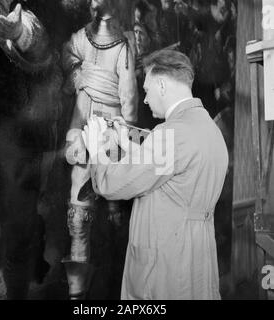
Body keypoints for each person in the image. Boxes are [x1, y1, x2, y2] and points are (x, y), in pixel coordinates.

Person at [83, 47, 229, 299]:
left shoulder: (171, 135)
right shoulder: (207, 128)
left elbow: (112, 184)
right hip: (195, 261)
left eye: (147, 89)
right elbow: (166, 158)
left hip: (165, 270)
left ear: (162, 84)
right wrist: (126, 134)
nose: (147, 99)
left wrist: (97, 150)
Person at [62, 0, 138, 299]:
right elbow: (66, 64)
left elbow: (128, 101)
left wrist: (126, 141)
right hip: (81, 131)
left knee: (115, 210)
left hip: (112, 134)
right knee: (78, 214)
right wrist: (79, 75)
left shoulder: (123, 47)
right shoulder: (79, 38)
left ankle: (116, 282)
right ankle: (77, 292)